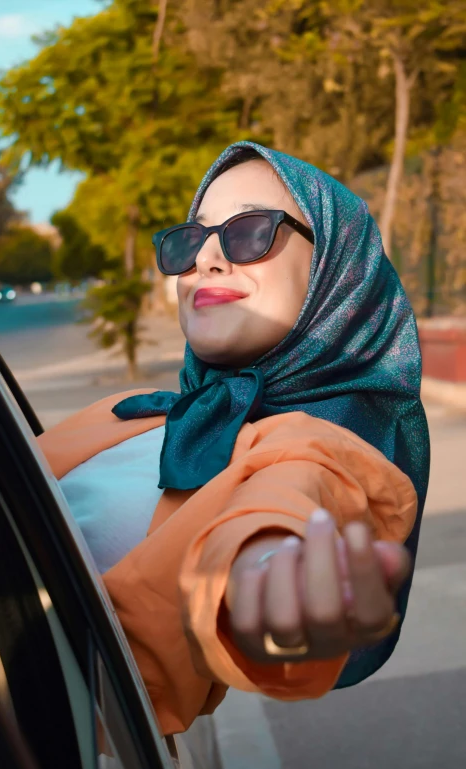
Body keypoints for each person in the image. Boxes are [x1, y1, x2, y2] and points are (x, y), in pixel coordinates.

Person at [40, 142, 430, 736]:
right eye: (191, 241)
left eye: (250, 232)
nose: (208, 260)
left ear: (336, 271)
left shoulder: (313, 451)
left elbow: (280, 519)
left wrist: (277, 585)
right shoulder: (122, 415)